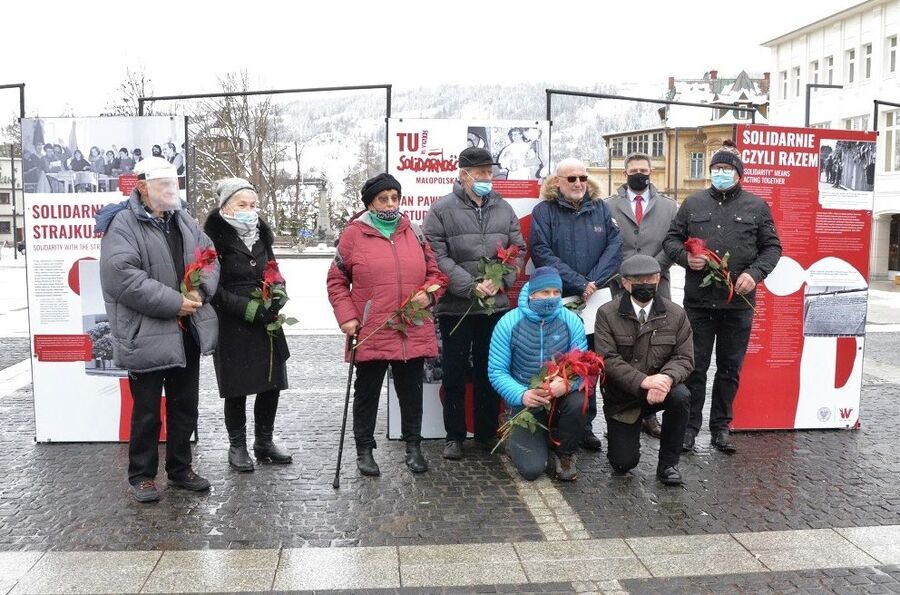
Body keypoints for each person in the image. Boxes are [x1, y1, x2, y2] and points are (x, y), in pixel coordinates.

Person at [95, 156, 219, 503]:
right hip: (146, 332)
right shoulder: (122, 224)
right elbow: (123, 278)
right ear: (142, 187)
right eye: (162, 185)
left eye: (172, 184)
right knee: (147, 410)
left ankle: (180, 469)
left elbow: (209, 257)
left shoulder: (185, 220)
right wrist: (173, 302)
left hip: (185, 332)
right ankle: (143, 476)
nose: (169, 191)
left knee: (185, 405)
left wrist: (200, 290)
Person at [663, 140, 782, 453]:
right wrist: (685, 259)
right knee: (695, 367)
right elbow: (671, 241)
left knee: (730, 368)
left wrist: (754, 274)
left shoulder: (756, 207)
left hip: (737, 304)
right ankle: (689, 428)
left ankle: (721, 427)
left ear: (738, 173)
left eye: (726, 169)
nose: (720, 173)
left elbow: (772, 247)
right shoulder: (692, 204)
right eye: (716, 169)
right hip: (699, 304)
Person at [327, 173, 445, 476]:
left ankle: (413, 447)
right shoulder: (354, 234)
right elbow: (337, 280)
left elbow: (436, 275)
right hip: (372, 329)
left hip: (411, 327)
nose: (390, 203)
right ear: (370, 203)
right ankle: (364, 450)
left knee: (411, 391)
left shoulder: (415, 232)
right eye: (383, 198)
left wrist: (428, 296)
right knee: (366, 392)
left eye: (395, 197)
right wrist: (348, 317)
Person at [424, 146, 526, 461]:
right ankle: (454, 436)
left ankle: (485, 434)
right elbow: (436, 255)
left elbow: (518, 249)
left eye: (489, 173)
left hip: (494, 307)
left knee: (490, 370)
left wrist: (501, 279)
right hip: (457, 306)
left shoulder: (504, 208)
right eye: (480, 173)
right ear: (463, 174)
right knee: (454, 372)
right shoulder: (441, 210)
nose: (486, 178)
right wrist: (470, 286)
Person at [530, 157, 622, 452]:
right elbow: (542, 252)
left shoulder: (601, 208)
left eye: (583, 177)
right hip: (561, 300)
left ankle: (586, 426)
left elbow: (615, 247)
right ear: (558, 182)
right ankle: (558, 423)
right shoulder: (544, 211)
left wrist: (593, 281)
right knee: (560, 362)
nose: (579, 183)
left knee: (590, 363)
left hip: (596, 300)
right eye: (571, 179)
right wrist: (579, 282)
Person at [204, 178, 292, 472]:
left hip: (266, 319)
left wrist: (278, 294)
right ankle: (237, 446)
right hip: (232, 321)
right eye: (242, 205)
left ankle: (263, 442)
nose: (249, 210)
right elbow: (211, 287)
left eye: (253, 205)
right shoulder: (212, 238)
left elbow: (273, 269)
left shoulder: (261, 235)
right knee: (237, 386)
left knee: (271, 382)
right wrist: (248, 308)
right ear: (226, 206)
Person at [594, 255, 693, 485]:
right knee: (622, 464)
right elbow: (607, 359)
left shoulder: (676, 314)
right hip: (623, 397)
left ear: (659, 280)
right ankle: (632, 429)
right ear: (625, 283)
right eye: (638, 280)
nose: (646, 284)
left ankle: (668, 464)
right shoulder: (606, 314)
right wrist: (643, 381)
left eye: (651, 278)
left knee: (681, 396)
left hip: (660, 389)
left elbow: (684, 357)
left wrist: (666, 379)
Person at [488, 267, 589, 481]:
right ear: (531, 293)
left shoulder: (572, 322)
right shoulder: (508, 323)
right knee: (532, 470)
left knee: (579, 401)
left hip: (560, 398)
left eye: (556, 292)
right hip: (526, 402)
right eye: (545, 292)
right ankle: (518, 435)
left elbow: (583, 366)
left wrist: (567, 384)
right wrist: (522, 394)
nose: (551, 298)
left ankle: (565, 454)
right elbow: (497, 371)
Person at [605, 152, 679, 440]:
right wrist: (628, 277)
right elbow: (607, 245)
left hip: (657, 284)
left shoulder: (670, 207)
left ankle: (650, 413)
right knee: (621, 347)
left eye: (644, 170)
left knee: (655, 347)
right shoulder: (608, 206)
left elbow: (673, 242)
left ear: (652, 172)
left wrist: (649, 272)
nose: (639, 174)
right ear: (625, 173)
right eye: (633, 170)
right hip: (618, 285)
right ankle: (621, 410)